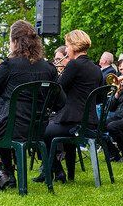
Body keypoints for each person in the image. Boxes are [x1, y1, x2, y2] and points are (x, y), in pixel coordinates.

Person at [0, 20, 63, 190]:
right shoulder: (49, 68)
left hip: (11, 126)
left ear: (15, 41)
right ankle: (8, 174)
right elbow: (60, 102)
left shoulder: (8, 65)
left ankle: (1, 173)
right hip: (37, 129)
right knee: (2, 126)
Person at [36, 29, 102, 183]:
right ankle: (62, 172)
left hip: (74, 123)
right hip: (90, 123)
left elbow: (57, 89)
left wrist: (53, 74)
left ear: (74, 45)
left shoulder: (74, 65)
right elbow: (99, 98)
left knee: (39, 131)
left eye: (67, 45)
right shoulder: (96, 68)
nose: (66, 49)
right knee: (51, 129)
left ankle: (56, 170)